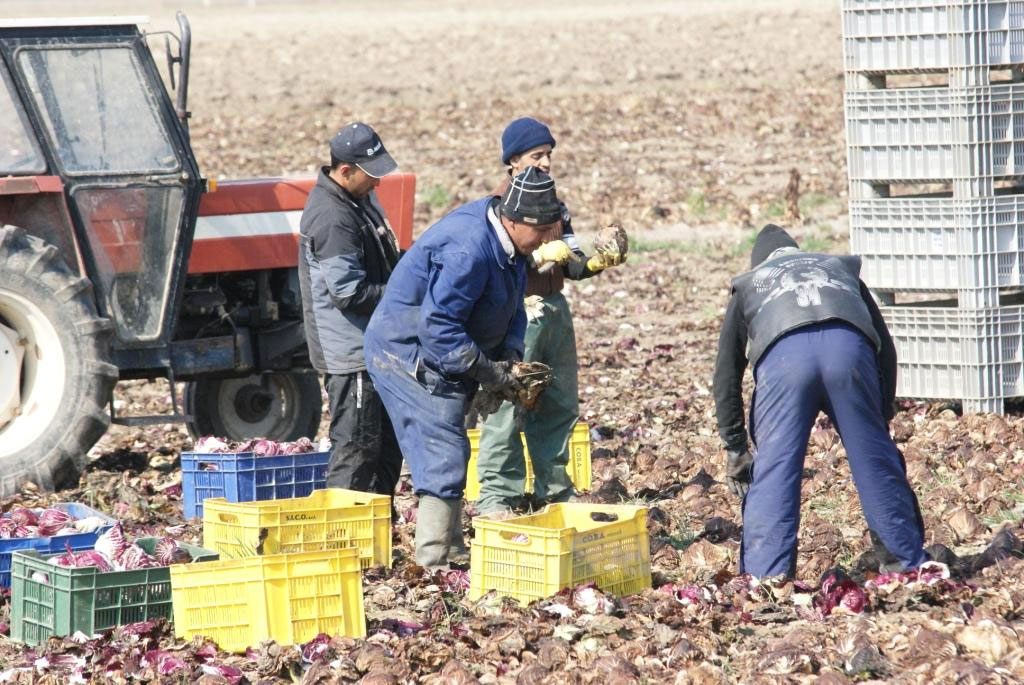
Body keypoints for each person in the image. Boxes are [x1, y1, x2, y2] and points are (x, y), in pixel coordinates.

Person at [363, 167, 562, 570]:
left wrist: (509, 355)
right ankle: (435, 560)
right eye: (541, 232)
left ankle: (451, 549)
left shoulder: (511, 246)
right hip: (406, 352)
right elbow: (438, 327)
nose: (547, 242)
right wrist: (490, 373)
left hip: (444, 348)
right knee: (443, 448)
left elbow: (511, 306)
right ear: (514, 219)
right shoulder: (469, 250)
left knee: (452, 444)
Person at [713, 224, 927, 578]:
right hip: (849, 353)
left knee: (776, 468)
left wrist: (735, 447)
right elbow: (885, 348)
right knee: (875, 460)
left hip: (786, 363)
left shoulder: (751, 283)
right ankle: (905, 564)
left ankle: (767, 578)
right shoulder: (838, 270)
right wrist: (880, 414)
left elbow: (726, 373)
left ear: (760, 262)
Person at [474, 117, 626, 516]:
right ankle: (498, 497)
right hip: (517, 311)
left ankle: (553, 491)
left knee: (557, 404)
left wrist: (598, 260)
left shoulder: (556, 205)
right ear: (513, 161)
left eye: (548, 156)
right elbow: (498, 260)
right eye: (536, 156)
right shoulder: (500, 204)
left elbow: (572, 265)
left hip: (554, 310)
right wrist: (536, 257)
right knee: (508, 405)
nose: (544, 163)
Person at [297, 122, 403, 501]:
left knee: (387, 450)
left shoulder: (358, 200)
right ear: (345, 172)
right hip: (350, 356)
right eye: (371, 175)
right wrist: (406, 294)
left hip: (374, 345)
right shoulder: (332, 216)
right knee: (356, 450)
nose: (378, 183)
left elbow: (385, 257)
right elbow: (349, 292)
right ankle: (342, 538)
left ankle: (378, 534)